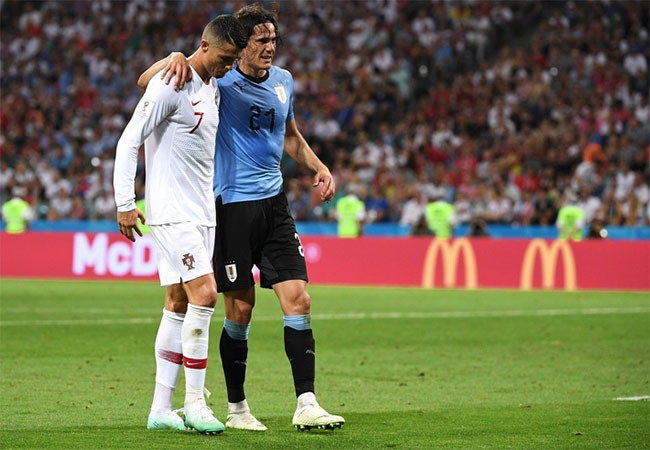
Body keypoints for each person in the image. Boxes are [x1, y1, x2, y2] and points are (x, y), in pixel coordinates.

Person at [138, 4, 344, 432]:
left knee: (299, 300)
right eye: (261, 40)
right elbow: (145, 82)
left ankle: (306, 402)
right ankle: (237, 409)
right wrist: (176, 56)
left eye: (274, 40)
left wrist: (319, 166)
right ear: (241, 43)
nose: (270, 47)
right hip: (230, 207)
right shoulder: (220, 80)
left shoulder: (284, 81)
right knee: (240, 308)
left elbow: (289, 136)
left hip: (274, 205)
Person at [113, 15, 247, 434]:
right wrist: (125, 202)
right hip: (172, 211)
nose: (229, 66)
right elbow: (129, 140)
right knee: (205, 293)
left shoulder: (210, 84)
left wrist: (178, 56)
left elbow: (144, 77)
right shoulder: (173, 83)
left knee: (177, 302)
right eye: (225, 58)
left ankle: (160, 409)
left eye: (233, 60)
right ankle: (194, 403)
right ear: (205, 46)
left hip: (202, 211)